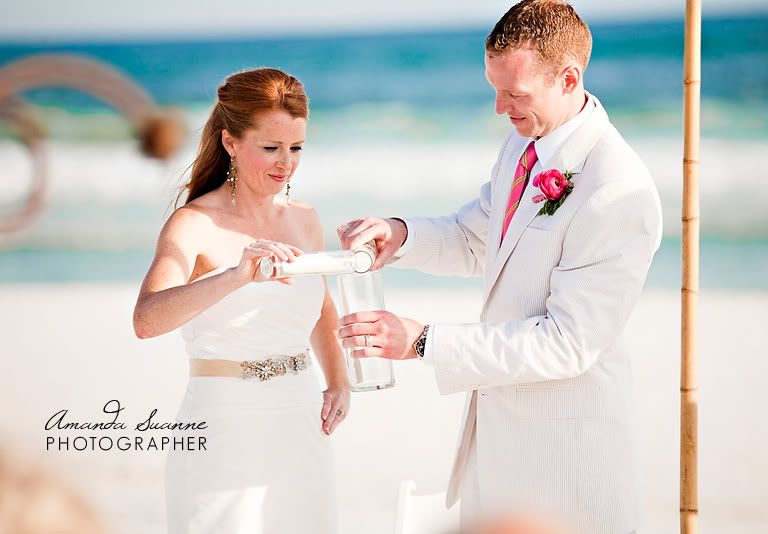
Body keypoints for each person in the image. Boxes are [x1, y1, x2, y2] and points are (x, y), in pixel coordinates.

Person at [337, 1, 662, 532]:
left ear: (568, 78)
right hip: (497, 446)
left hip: (568, 461)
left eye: (514, 94)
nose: (498, 107)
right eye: (495, 88)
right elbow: (476, 238)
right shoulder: (522, 144)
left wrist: (423, 342)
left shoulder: (616, 189)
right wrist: (402, 234)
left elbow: (568, 342)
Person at [132, 68, 348, 534]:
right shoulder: (193, 224)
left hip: (300, 416)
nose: (285, 163)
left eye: (296, 148)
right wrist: (236, 275)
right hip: (223, 422)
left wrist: (338, 380)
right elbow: (147, 320)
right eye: (271, 148)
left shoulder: (305, 219)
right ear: (231, 143)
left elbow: (320, 307)